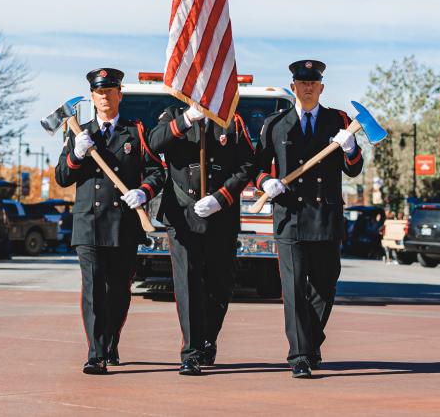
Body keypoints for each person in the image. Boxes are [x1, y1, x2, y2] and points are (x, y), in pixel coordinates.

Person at [252, 60, 364, 379]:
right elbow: (257, 166)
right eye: (302, 83)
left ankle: (310, 339)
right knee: (294, 288)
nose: (308, 87)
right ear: (293, 88)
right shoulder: (276, 124)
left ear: (321, 87)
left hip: (326, 217)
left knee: (325, 286)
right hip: (290, 216)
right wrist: (265, 182)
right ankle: (300, 354)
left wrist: (351, 147)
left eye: (313, 82)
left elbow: (354, 168)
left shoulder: (339, 121)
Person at [54, 67, 165, 376]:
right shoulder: (79, 132)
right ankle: (95, 354)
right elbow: (62, 177)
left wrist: (144, 193)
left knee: (117, 290)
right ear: (92, 97)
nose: (104, 97)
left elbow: (158, 172)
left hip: (124, 225)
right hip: (88, 224)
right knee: (93, 289)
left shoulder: (136, 131)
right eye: (99, 92)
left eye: (110, 91)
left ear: (120, 95)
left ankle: (111, 340)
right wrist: (76, 155)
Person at [148, 95, 255, 375]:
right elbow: (154, 143)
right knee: (188, 282)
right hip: (182, 215)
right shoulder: (172, 115)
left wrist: (222, 197)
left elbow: (247, 165)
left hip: (221, 214)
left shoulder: (232, 121)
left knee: (220, 282)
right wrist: (185, 121)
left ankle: (208, 338)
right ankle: (192, 351)